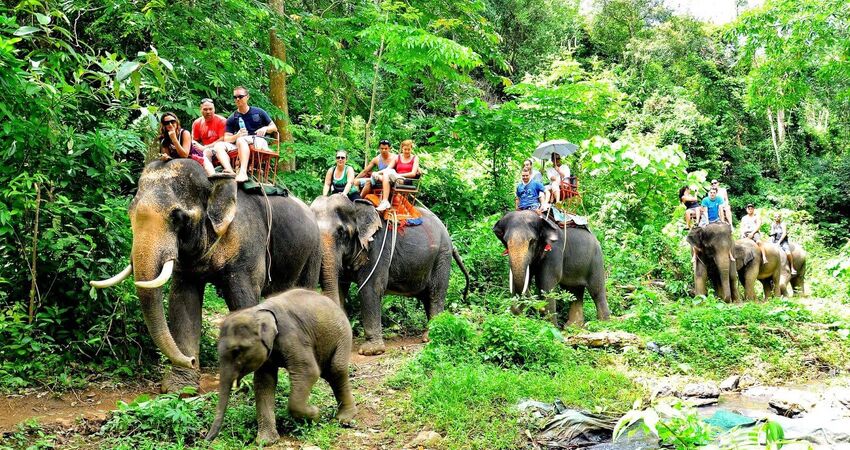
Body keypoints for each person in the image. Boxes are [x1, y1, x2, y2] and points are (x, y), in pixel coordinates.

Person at [224, 86, 277, 182]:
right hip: (240, 144)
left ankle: (243, 172)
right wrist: (237, 135)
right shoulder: (233, 117)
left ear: (247, 97)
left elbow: (274, 128)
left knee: (241, 140)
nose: (237, 99)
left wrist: (265, 128)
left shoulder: (259, 112)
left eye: (240, 96)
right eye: (235, 97)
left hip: (258, 141)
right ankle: (231, 168)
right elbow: (226, 139)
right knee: (224, 145)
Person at [192, 98, 234, 175]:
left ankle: (212, 175)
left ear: (214, 109)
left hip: (219, 149)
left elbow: (223, 139)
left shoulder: (221, 121)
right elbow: (194, 140)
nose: (208, 112)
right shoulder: (197, 123)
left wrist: (205, 147)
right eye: (205, 109)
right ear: (200, 109)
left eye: (210, 109)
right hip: (204, 149)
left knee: (206, 151)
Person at [356, 139, 397, 211]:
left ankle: (359, 201)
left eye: (386, 148)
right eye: (382, 148)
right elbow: (365, 171)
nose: (384, 150)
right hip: (377, 180)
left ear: (389, 148)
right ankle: (356, 199)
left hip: (389, 181)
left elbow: (403, 163)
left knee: (370, 181)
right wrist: (355, 179)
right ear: (379, 148)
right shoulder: (376, 159)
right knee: (356, 182)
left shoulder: (395, 157)